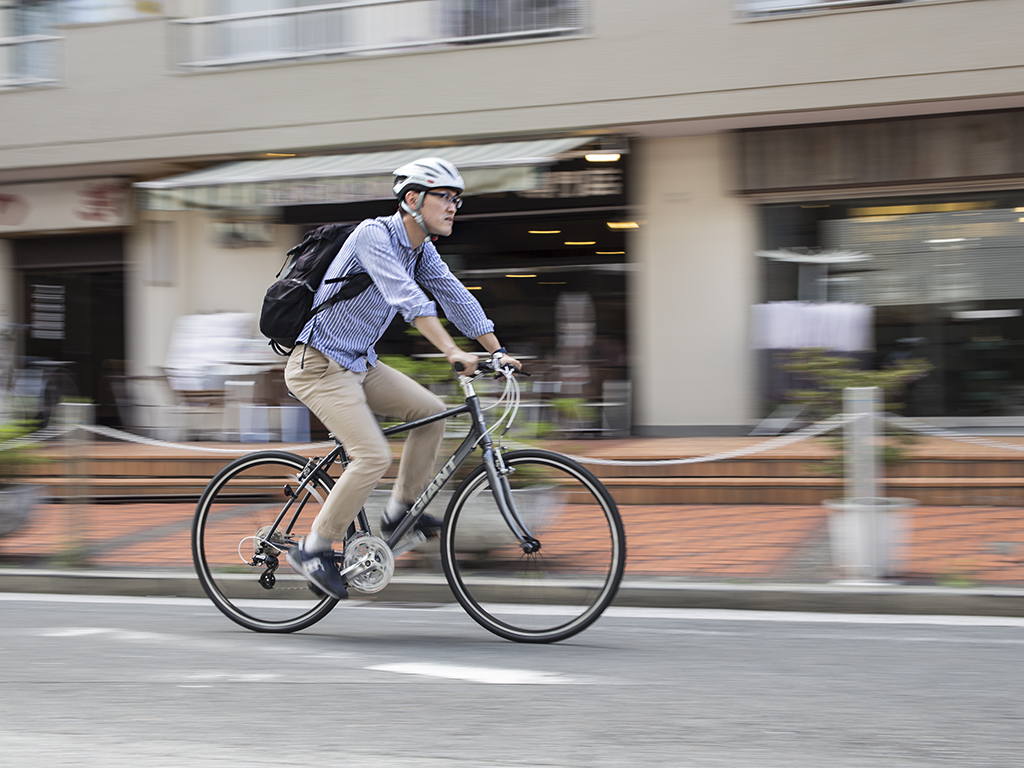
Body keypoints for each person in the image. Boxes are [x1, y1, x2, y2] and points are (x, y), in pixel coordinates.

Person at [284, 157, 520, 600]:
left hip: (359, 362)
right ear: (412, 199)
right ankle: (314, 547)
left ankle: (399, 511)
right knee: (372, 456)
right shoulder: (374, 234)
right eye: (445, 197)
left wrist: (497, 351)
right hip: (317, 363)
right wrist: (450, 351)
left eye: (457, 199)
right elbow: (405, 297)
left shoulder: (422, 249)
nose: (454, 207)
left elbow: (454, 295)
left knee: (431, 412)